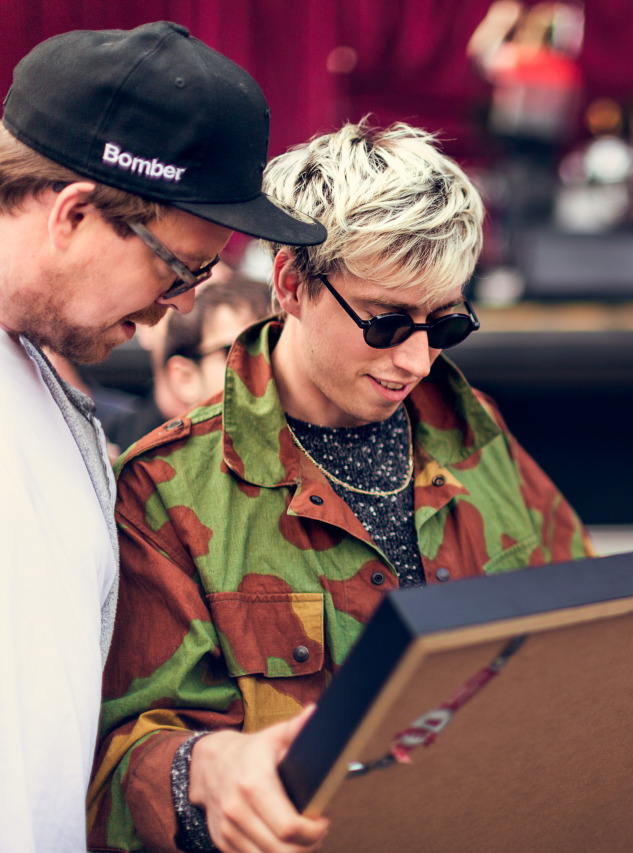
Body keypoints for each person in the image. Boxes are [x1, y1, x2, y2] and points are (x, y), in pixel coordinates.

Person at [90, 121, 633, 853]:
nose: (416, 360)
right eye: (386, 323)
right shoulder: (169, 485)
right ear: (292, 283)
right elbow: (113, 771)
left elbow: (603, 638)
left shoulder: (469, 428)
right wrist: (205, 771)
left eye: (445, 324)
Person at [0, 22, 325, 853]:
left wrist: (205, 766)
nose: (181, 304)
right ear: (74, 213)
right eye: (179, 269)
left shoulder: (42, 375)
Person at [104, 270, 271, 451]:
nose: (266, 364)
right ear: (185, 377)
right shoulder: (120, 452)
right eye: (240, 350)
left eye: (276, 346)